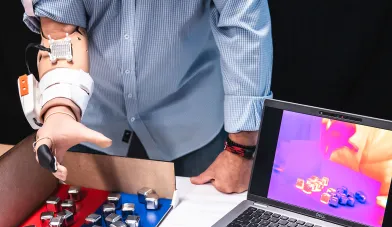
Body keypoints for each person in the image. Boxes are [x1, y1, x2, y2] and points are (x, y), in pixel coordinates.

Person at [22, 0, 273, 194]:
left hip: (191, 113)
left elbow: (243, 20)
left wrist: (242, 148)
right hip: (95, 116)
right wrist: (60, 110)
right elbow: (61, 32)